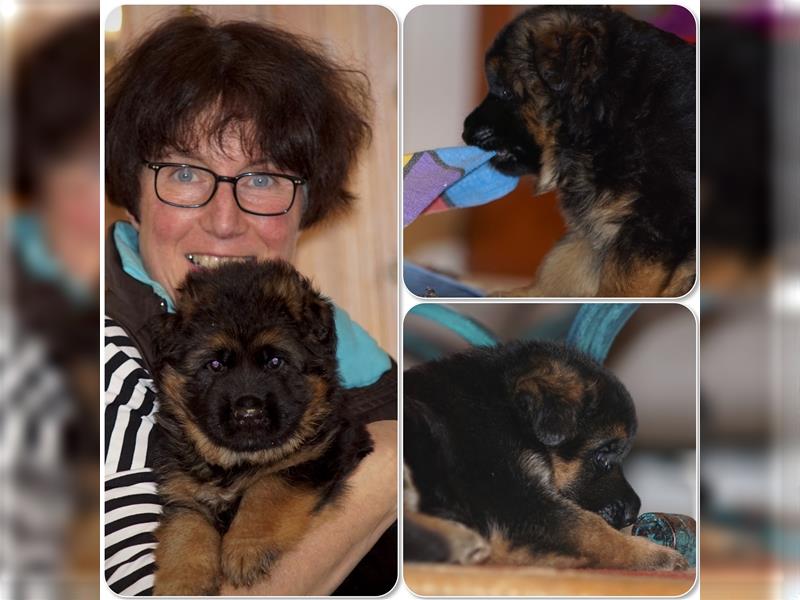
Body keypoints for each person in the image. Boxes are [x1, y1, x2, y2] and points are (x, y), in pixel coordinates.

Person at [104, 14, 397, 596]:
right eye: (185, 172)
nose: (224, 220)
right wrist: (382, 479)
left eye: (262, 179)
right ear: (129, 190)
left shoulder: (335, 333)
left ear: (306, 205)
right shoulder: (101, 352)